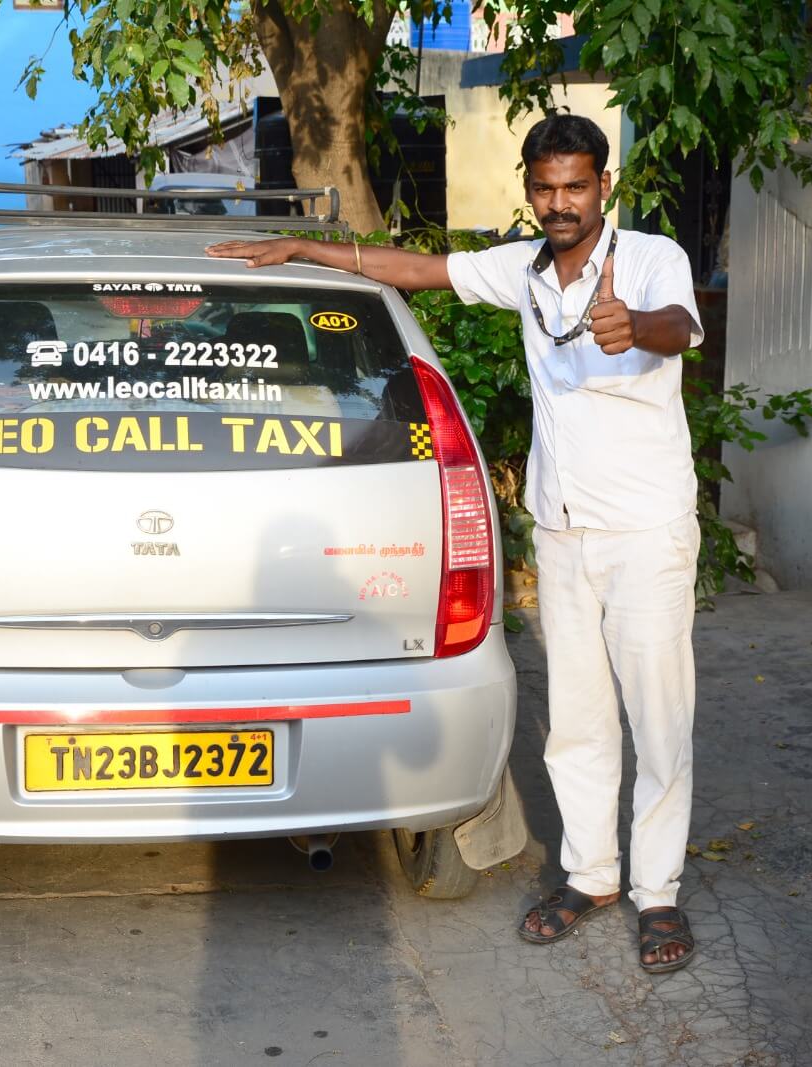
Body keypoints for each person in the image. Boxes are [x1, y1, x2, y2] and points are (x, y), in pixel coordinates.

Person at [206, 113, 703, 973]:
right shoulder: (525, 269)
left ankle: (658, 892)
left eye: (575, 187)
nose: (560, 203)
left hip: (646, 528)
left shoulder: (652, 259)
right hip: (562, 526)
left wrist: (634, 325)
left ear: (604, 186)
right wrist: (306, 250)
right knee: (578, 717)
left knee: (659, 719)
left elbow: (681, 326)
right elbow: (417, 269)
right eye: (545, 188)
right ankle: (592, 875)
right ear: (530, 190)